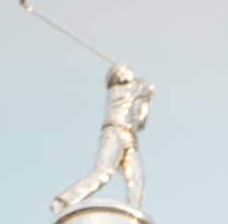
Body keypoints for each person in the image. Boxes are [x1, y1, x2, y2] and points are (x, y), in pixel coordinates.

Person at [50, 63, 156, 214]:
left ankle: (133, 214)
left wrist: (146, 102)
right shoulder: (117, 91)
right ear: (119, 75)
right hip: (114, 133)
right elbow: (140, 88)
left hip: (130, 138)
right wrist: (145, 87)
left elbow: (140, 123)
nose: (131, 72)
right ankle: (63, 201)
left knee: (137, 180)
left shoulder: (131, 95)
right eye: (127, 70)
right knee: (102, 172)